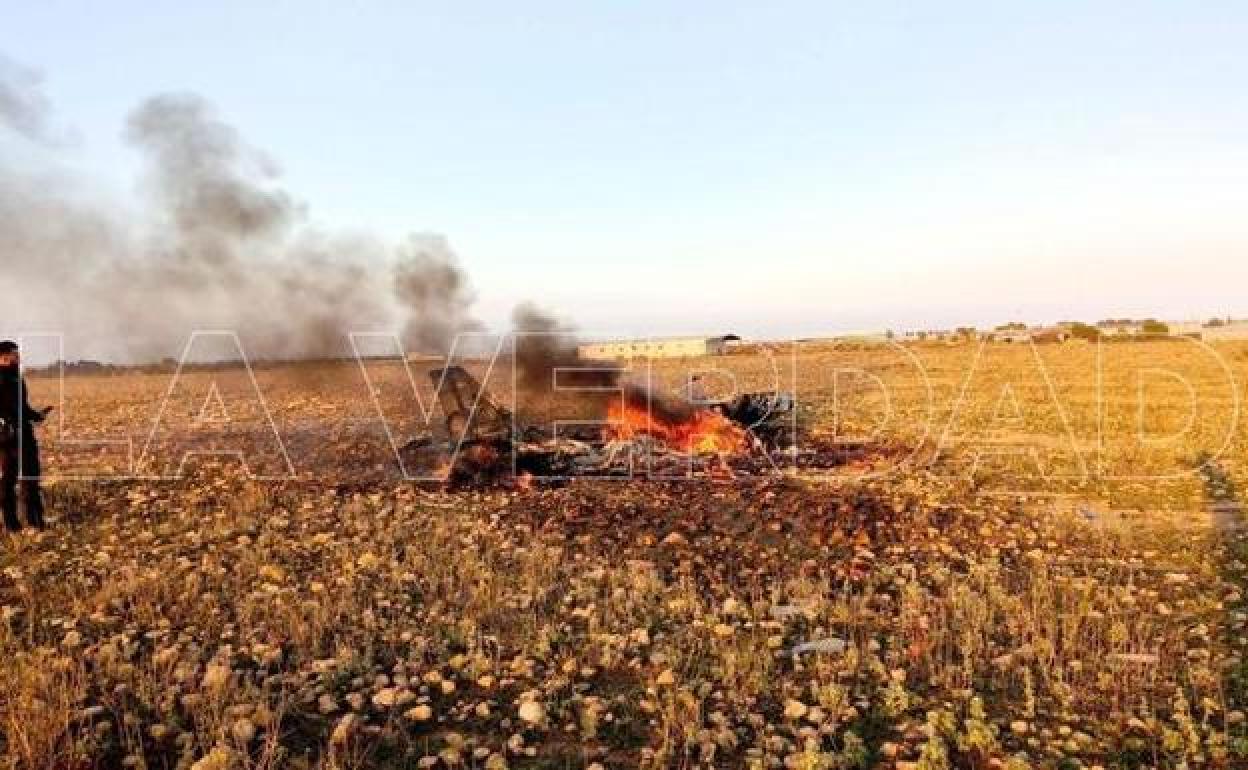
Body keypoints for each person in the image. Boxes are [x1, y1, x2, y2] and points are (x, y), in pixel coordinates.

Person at [0, 340, 51, 532]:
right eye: (15, 353)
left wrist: (37, 415)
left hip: (17, 436)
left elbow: (22, 407)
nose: (18, 356)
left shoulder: (16, 378)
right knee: (21, 480)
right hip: (12, 439)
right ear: (3, 357)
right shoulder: (6, 379)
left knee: (15, 480)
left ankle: (18, 524)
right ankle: (29, 524)